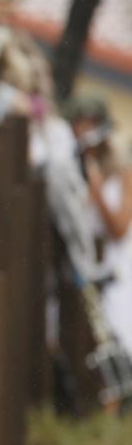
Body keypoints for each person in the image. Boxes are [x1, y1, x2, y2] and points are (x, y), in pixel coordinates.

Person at [70, 97, 132, 354]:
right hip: (100, 266)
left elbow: (119, 228)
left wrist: (97, 192)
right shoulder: (81, 170)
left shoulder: (124, 175)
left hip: (123, 267)